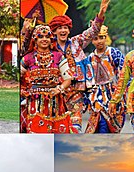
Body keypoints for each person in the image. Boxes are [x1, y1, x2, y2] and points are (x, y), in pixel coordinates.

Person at [49, 0, 110, 133]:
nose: (63, 30)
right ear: (54, 31)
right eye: (60, 28)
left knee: (76, 122)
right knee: (59, 124)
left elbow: (93, 31)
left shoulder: (76, 42)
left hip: (77, 89)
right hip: (56, 90)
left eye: (65, 27)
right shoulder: (49, 47)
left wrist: (101, 13)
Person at [20, 24, 72, 133]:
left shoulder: (59, 56)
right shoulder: (27, 58)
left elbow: (68, 79)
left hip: (55, 101)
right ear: (35, 39)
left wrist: (59, 89)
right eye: (41, 37)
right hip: (35, 102)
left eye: (47, 37)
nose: (44, 39)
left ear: (51, 39)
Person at [85, 25, 125, 133]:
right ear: (92, 41)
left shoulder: (113, 53)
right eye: (95, 38)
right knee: (101, 125)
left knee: (113, 129)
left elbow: (124, 73)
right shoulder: (89, 58)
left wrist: (121, 94)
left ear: (106, 37)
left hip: (114, 94)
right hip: (97, 96)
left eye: (101, 37)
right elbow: (88, 79)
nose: (99, 41)